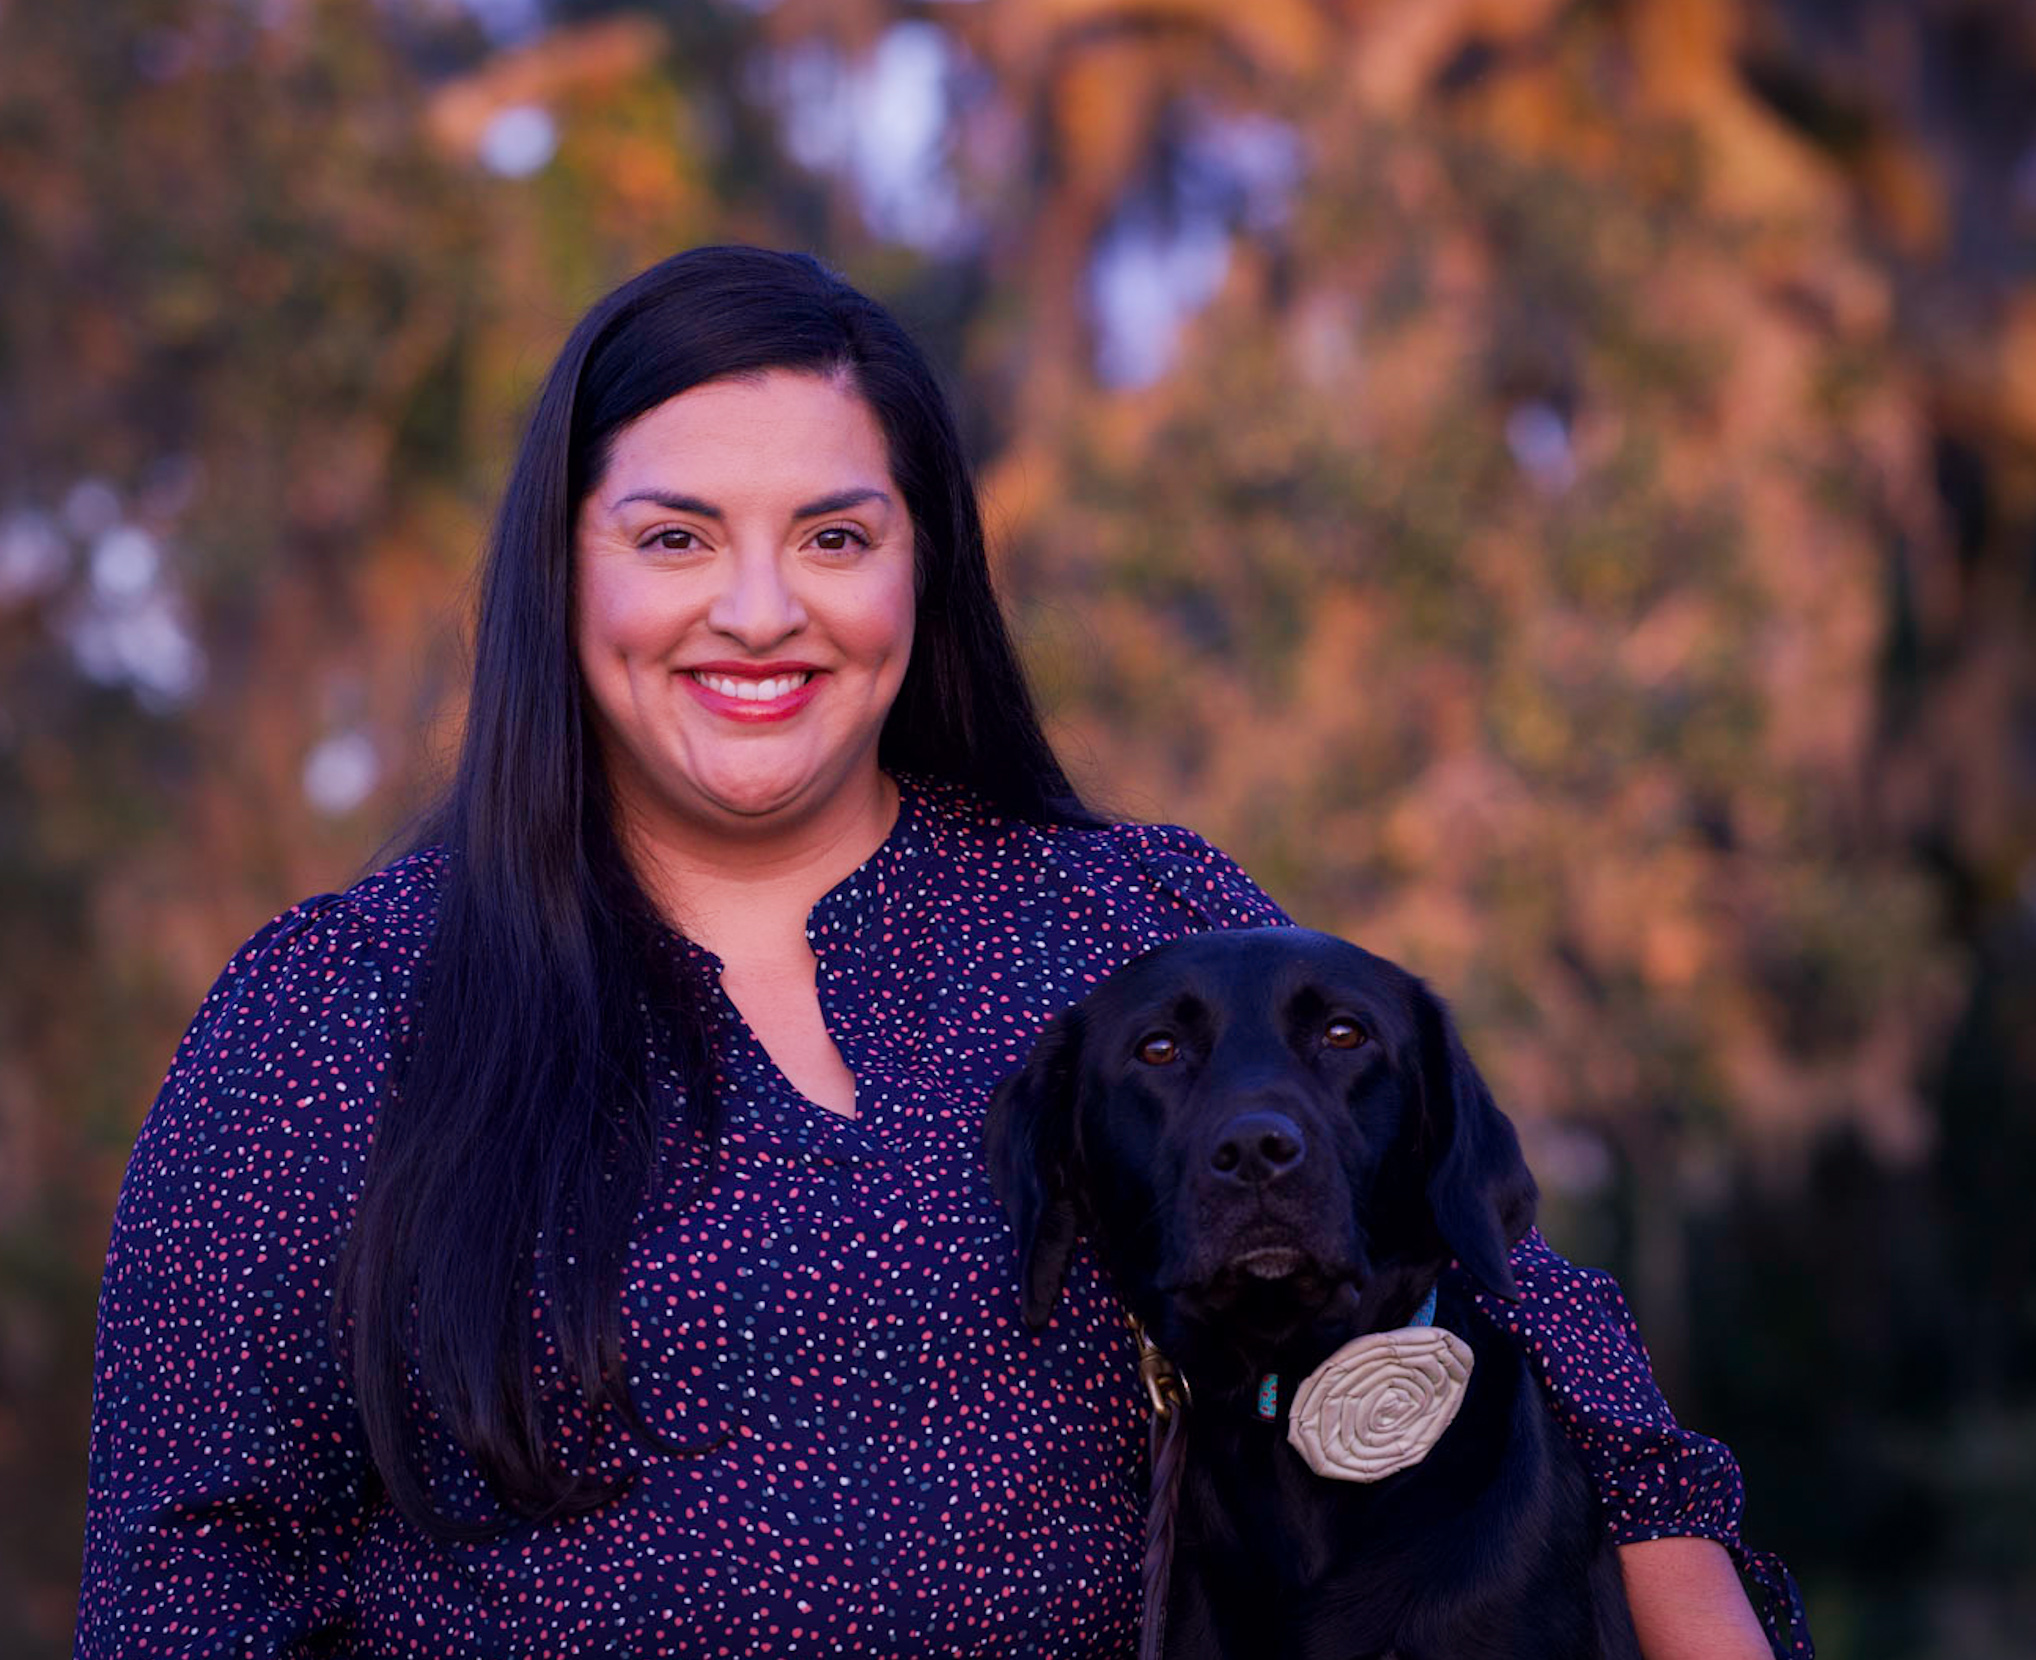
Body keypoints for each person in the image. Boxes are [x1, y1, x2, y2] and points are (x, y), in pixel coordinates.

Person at [75, 246, 1809, 1658]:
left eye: (836, 537)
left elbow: (1508, 1294)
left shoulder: (1129, 926)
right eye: (675, 537)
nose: (761, 610)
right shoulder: (337, 1014)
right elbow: (190, 1575)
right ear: (562, 568)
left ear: (925, 569)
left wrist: (1680, 1574)